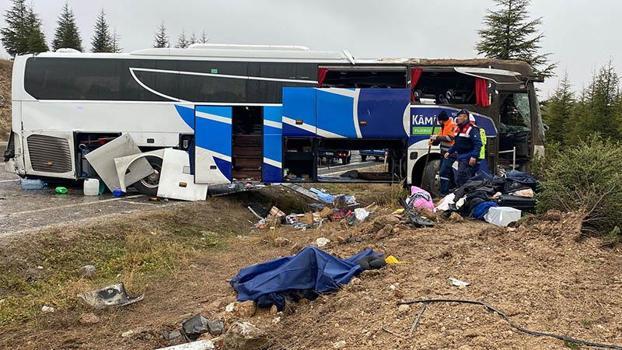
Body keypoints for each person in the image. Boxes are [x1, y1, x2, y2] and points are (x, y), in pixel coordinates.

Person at [442, 109, 482, 189]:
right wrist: (449, 152)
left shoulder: (472, 129)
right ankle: (461, 192)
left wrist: (474, 156)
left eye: (460, 116)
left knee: (462, 177)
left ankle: (465, 195)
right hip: (460, 156)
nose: (457, 118)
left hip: (468, 156)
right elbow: (457, 144)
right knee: (458, 177)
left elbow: (478, 144)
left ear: (465, 117)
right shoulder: (458, 129)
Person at [429, 111, 457, 195]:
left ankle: (444, 192)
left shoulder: (452, 125)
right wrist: (433, 141)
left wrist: (436, 137)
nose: (438, 122)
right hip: (443, 153)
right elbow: (439, 139)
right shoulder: (443, 127)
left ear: (442, 120)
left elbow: (450, 138)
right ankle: (453, 188)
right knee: (449, 172)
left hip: (450, 153)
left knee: (443, 172)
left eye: (439, 120)